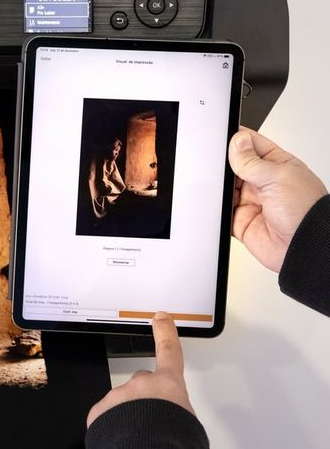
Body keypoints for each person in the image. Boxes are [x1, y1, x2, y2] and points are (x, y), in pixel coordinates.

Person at [85, 128, 330, 448]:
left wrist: (143, 429)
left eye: (120, 148)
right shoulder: (101, 162)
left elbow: (115, 185)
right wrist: (313, 239)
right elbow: (105, 186)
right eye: (114, 148)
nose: (117, 152)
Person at [88, 138, 128, 219]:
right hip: (97, 188)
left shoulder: (111, 160)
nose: (117, 153)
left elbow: (116, 178)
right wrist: (106, 186)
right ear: (109, 149)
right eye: (115, 150)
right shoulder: (99, 158)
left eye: (118, 151)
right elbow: (94, 179)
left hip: (105, 186)